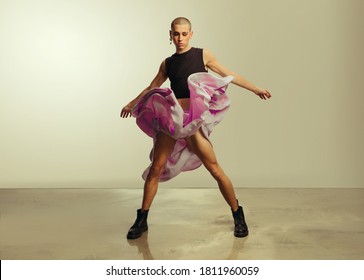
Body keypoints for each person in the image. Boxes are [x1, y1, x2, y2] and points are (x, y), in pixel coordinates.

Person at [120, 17, 271, 240]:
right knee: (155, 168)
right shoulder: (167, 63)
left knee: (214, 169)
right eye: (175, 34)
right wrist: (132, 103)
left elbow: (229, 74)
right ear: (170, 35)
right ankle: (142, 219)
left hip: (192, 122)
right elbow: (152, 87)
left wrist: (255, 88)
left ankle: (238, 214)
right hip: (171, 121)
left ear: (191, 34)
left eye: (184, 34)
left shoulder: (202, 55)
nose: (179, 38)